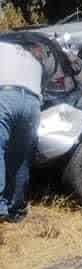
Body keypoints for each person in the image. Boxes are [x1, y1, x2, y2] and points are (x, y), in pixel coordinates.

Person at [0, 40, 43, 223]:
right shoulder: (35, 63)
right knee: (20, 158)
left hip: (5, 97)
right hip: (32, 104)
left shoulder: (2, 47)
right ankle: (15, 211)